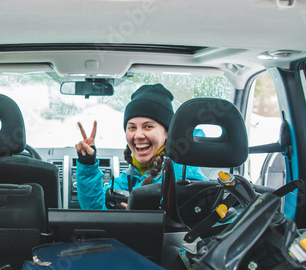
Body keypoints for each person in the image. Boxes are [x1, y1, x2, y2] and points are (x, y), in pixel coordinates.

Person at [74, 83, 207, 209]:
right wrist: (87, 164)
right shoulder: (128, 178)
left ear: (167, 133)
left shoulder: (183, 175)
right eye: (132, 127)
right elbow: (96, 209)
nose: (138, 135)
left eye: (148, 126)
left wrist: (146, 217)